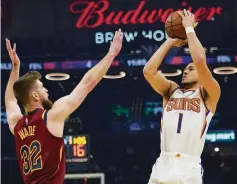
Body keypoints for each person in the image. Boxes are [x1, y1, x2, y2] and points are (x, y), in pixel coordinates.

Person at [5, 29, 123, 184]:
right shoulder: (50, 117)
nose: (46, 90)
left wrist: (15, 68)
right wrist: (111, 55)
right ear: (34, 95)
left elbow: (10, 101)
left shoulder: (17, 125)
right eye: (42, 87)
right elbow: (87, 84)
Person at [143, 9, 221, 184]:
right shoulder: (171, 90)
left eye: (190, 69)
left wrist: (189, 29)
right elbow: (148, 71)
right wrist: (170, 41)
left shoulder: (209, 93)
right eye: (185, 69)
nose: (186, 71)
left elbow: (200, 60)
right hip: (163, 163)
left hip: (189, 165)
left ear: (201, 75)